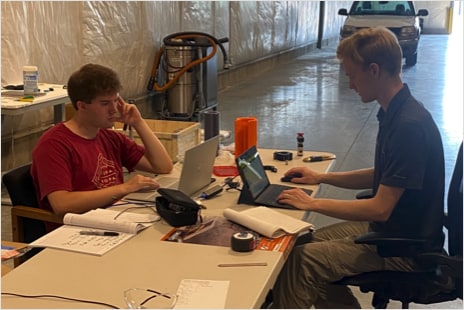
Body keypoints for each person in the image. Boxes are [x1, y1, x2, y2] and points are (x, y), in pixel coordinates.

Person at [271, 27, 445, 308]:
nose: (350, 84)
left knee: (303, 261)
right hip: (394, 229)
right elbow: (383, 175)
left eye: (352, 75)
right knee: (300, 243)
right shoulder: (395, 110)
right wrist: (319, 176)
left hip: (405, 247)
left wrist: (313, 204)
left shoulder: (408, 126)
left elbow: (380, 208)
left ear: (374, 70)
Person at [31, 63, 173, 221]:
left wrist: (138, 122)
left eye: (115, 101)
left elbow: (163, 166)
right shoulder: (54, 144)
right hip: (78, 227)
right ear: (82, 106)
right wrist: (124, 188)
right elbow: (62, 204)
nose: (114, 109)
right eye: (105, 103)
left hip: (114, 216)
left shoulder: (109, 136)